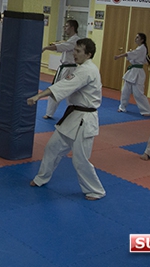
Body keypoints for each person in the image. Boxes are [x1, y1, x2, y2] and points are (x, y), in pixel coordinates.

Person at [27, 38, 106, 201]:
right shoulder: (81, 68)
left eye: (78, 51)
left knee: (80, 159)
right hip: (73, 117)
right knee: (52, 147)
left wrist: (38, 96)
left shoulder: (87, 70)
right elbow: (64, 84)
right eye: (74, 50)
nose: (74, 53)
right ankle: (42, 178)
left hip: (85, 120)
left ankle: (96, 191)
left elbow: (63, 86)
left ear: (88, 54)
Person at [42, 19, 80, 120]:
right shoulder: (71, 40)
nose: (64, 28)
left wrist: (46, 48)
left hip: (69, 69)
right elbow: (63, 44)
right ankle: (50, 113)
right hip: (66, 68)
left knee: (62, 91)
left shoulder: (75, 40)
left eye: (66, 26)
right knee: (58, 90)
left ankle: (73, 113)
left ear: (72, 28)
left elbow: (62, 47)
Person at [115, 32, 150, 116]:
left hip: (138, 72)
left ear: (142, 40)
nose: (135, 39)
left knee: (138, 94)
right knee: (125, 90)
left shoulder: (142, 48)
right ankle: (122, 107)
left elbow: (130, 54)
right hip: (132, 71)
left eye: (137, 37)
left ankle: (147, 111)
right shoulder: (139, 48)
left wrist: (119, 56)